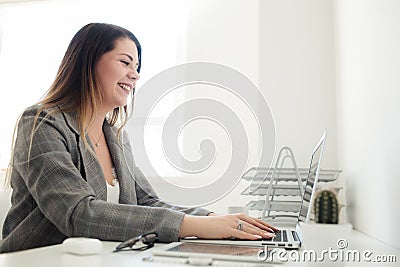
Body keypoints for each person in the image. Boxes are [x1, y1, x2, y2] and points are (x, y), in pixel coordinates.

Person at [0, 23, 276, 253]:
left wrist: (211, 219)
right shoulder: (40, 123)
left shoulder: (116, 138)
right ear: (88, 61)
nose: (135, 74)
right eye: (125, 62)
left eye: (137, 66)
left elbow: (147, 202)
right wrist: (197, 227)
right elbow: (78, 213)